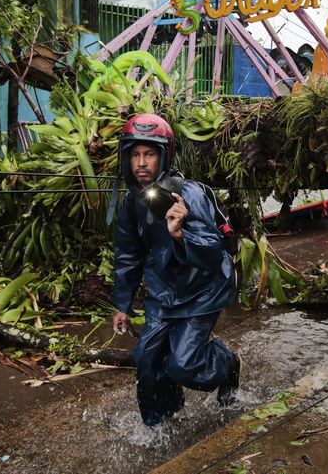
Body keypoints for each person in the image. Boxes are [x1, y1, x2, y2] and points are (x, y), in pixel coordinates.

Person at [111, 113, 240, 426]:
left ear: (164, 156)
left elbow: (212, 254)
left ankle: (227, 364)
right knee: (146, 360)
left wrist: (181, 233)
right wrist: (122, 305)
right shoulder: (131, 201)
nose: (141, 163)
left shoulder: (189, 194)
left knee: (183, 366)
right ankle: (161, 422)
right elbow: (128, 254)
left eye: (150, 155)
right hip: (164, 290)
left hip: (203, 289)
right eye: (135, 155)